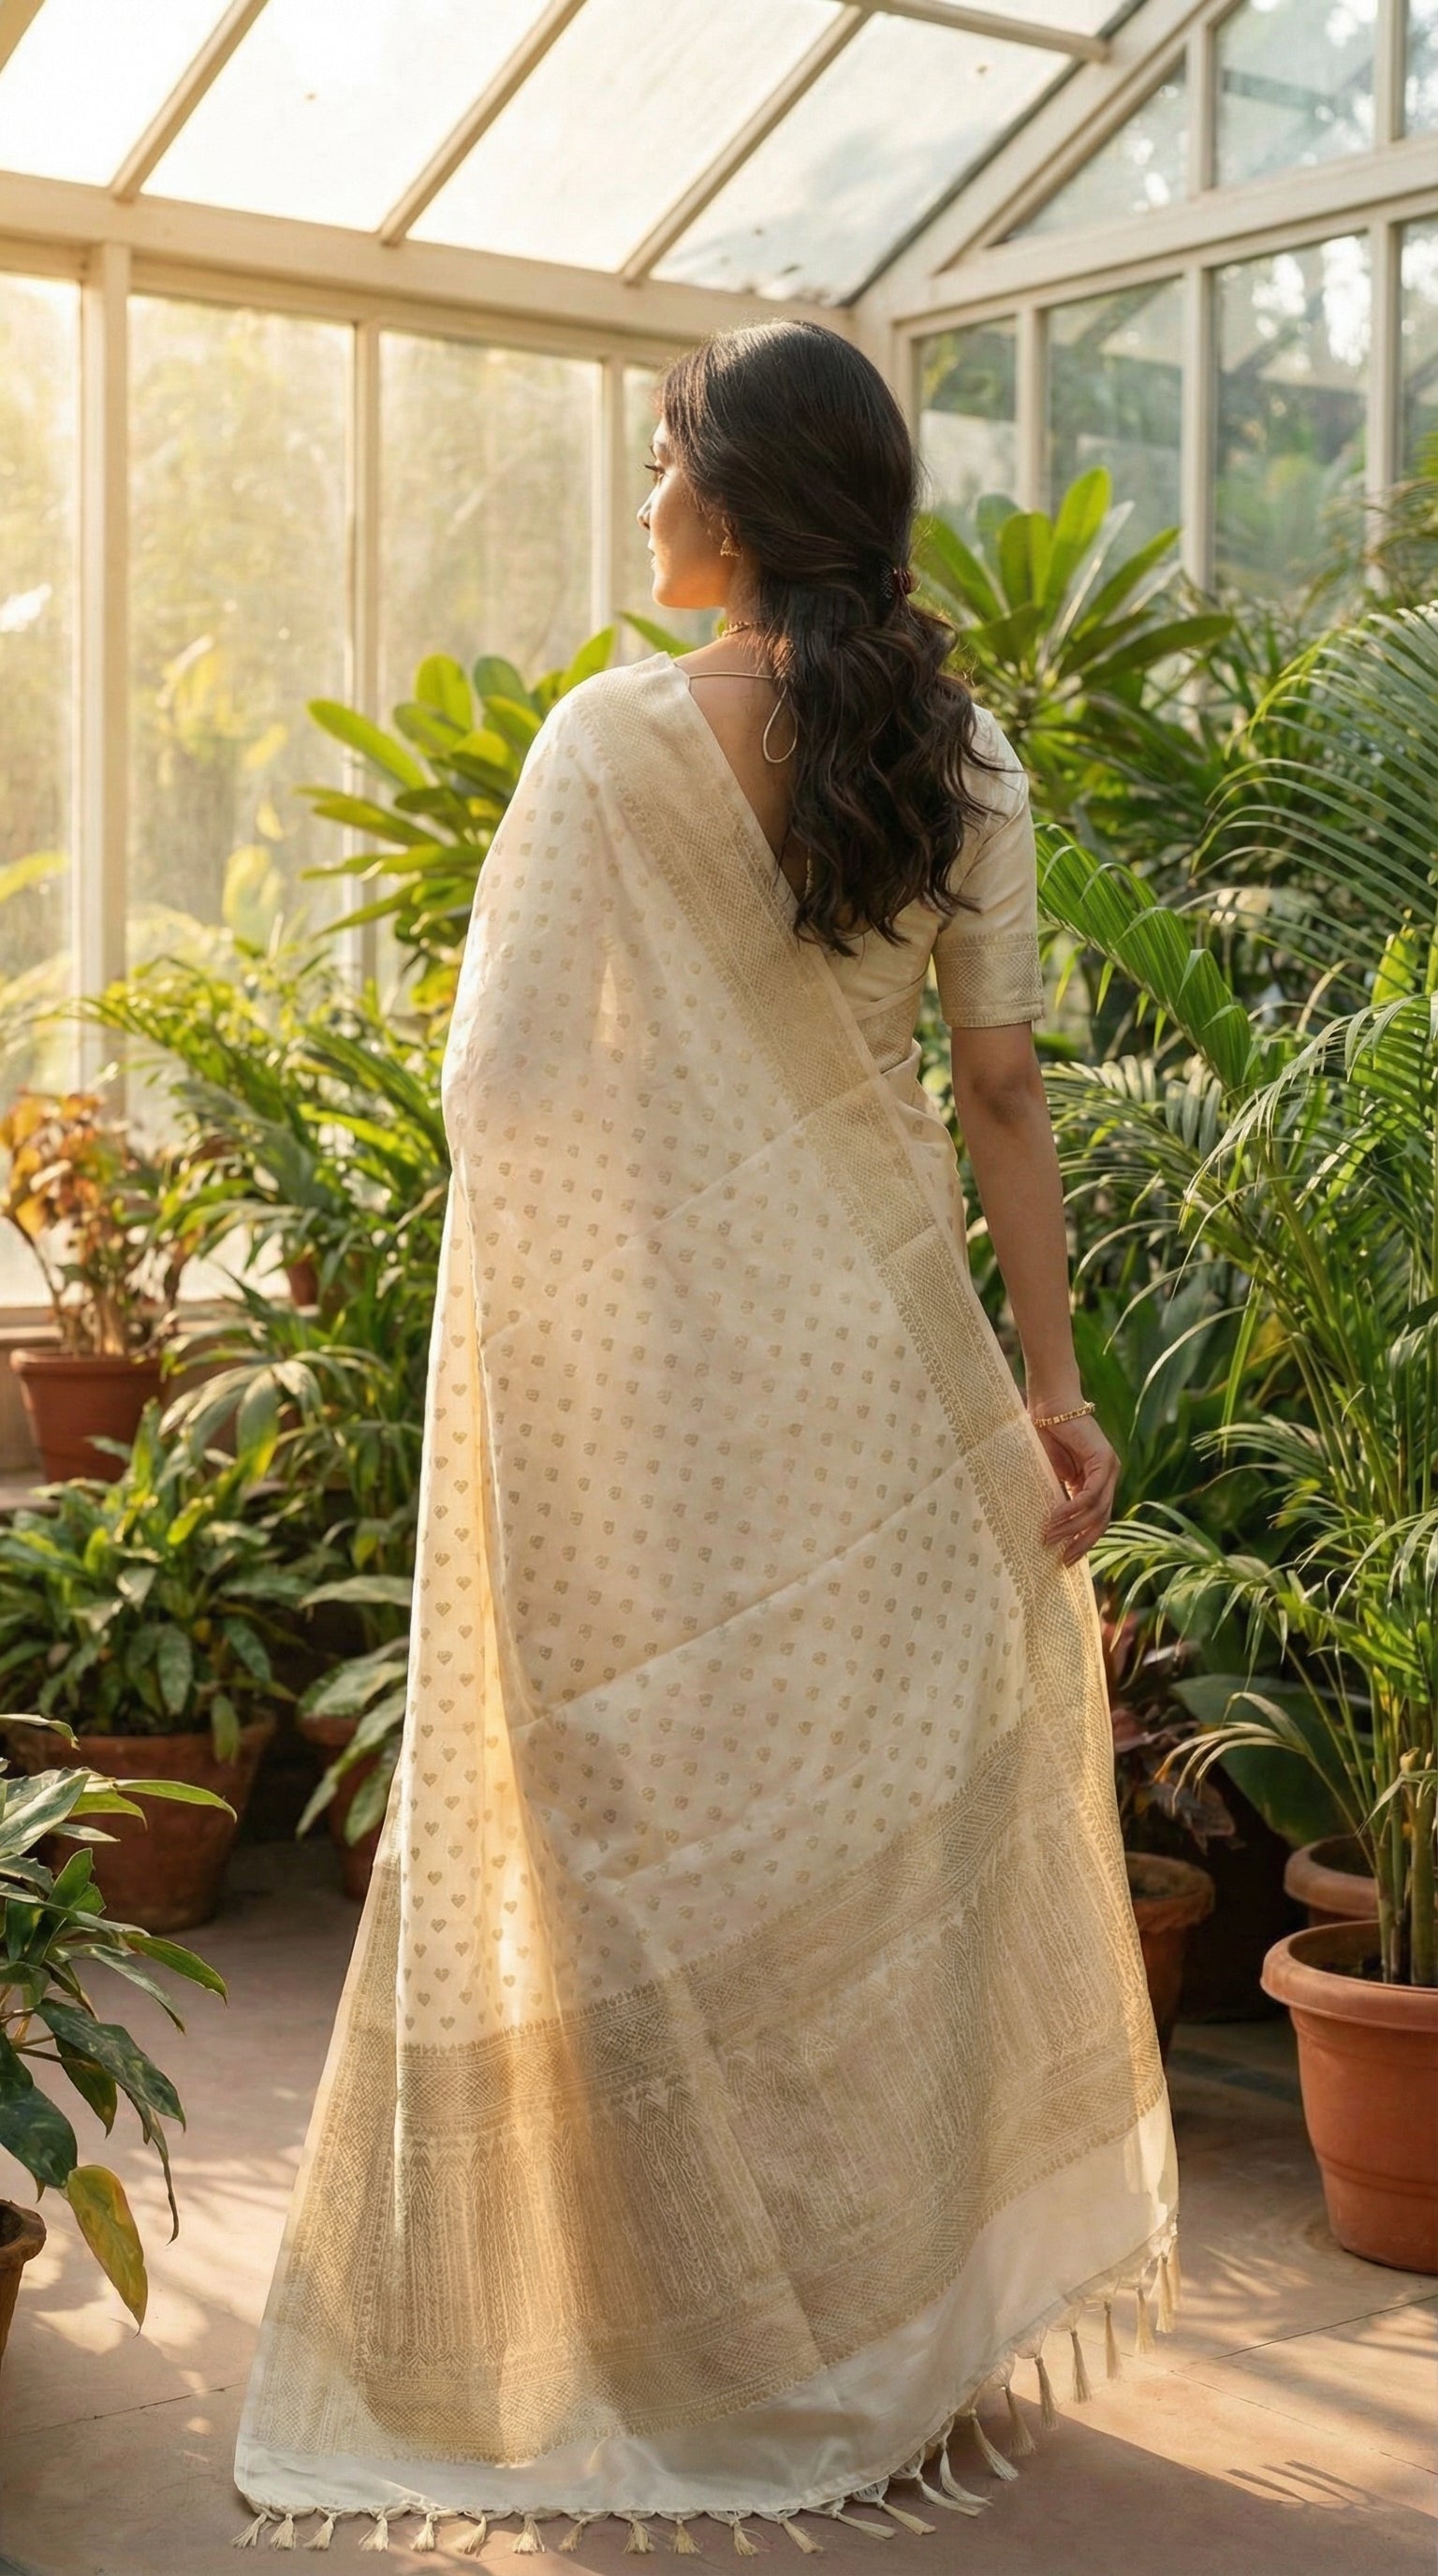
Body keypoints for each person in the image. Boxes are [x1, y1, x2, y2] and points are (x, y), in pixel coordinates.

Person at [234, 319, 1178, 2558]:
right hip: (880, 1386)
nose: (646, 501)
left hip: (655, 1407)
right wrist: (1053, 1388)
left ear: (737, 500)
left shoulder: (603, 750)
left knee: (651, 1841)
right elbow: (1006, 1093)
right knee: (854, 1832)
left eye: (667, 464)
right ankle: (873, 2336)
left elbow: (507, 1094)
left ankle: (696, 2348)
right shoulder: (966, 758)